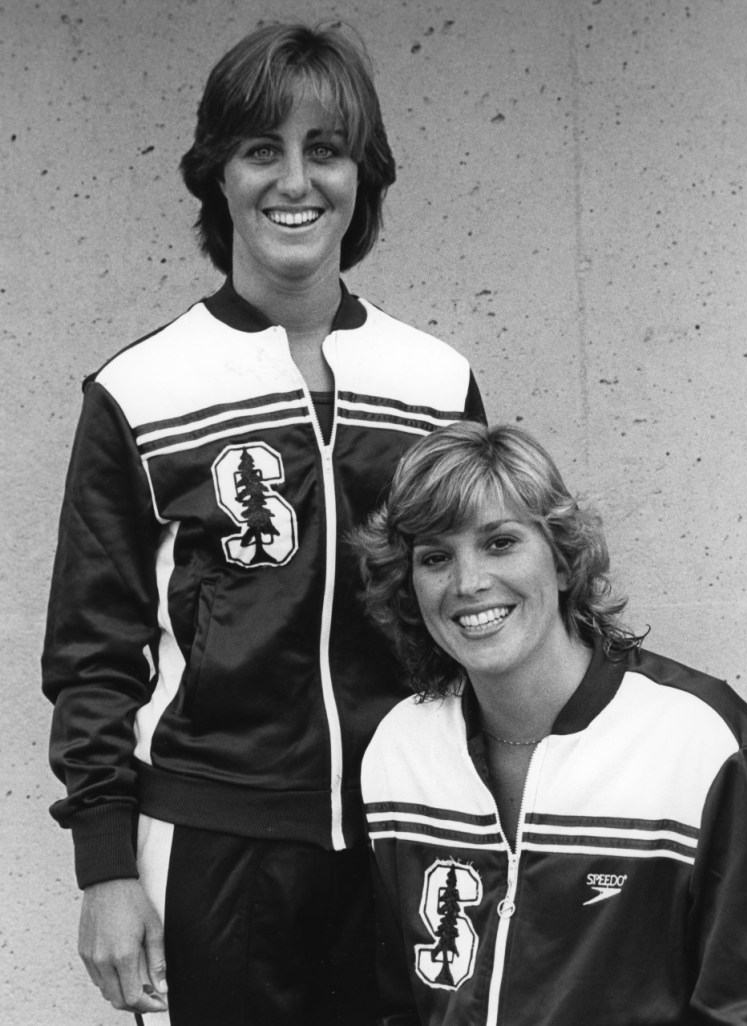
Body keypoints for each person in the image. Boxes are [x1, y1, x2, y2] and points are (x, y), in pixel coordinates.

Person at [41, 22, 484, 1026]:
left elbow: (478, 610)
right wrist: (105, 868)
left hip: (407, 832)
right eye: (262, 150)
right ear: (219, 177)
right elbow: (92, 647)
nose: (296, 181)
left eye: (324, 150)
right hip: (212, 843)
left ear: (361, 177)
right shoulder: (141, 393)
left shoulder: (434, 384)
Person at [353, 421, 747, 1025]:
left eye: (500, 542)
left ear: (563, 562)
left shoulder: (706, 744)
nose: (469, 582)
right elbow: (396, 1003)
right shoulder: (399, 750)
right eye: (436, 557)